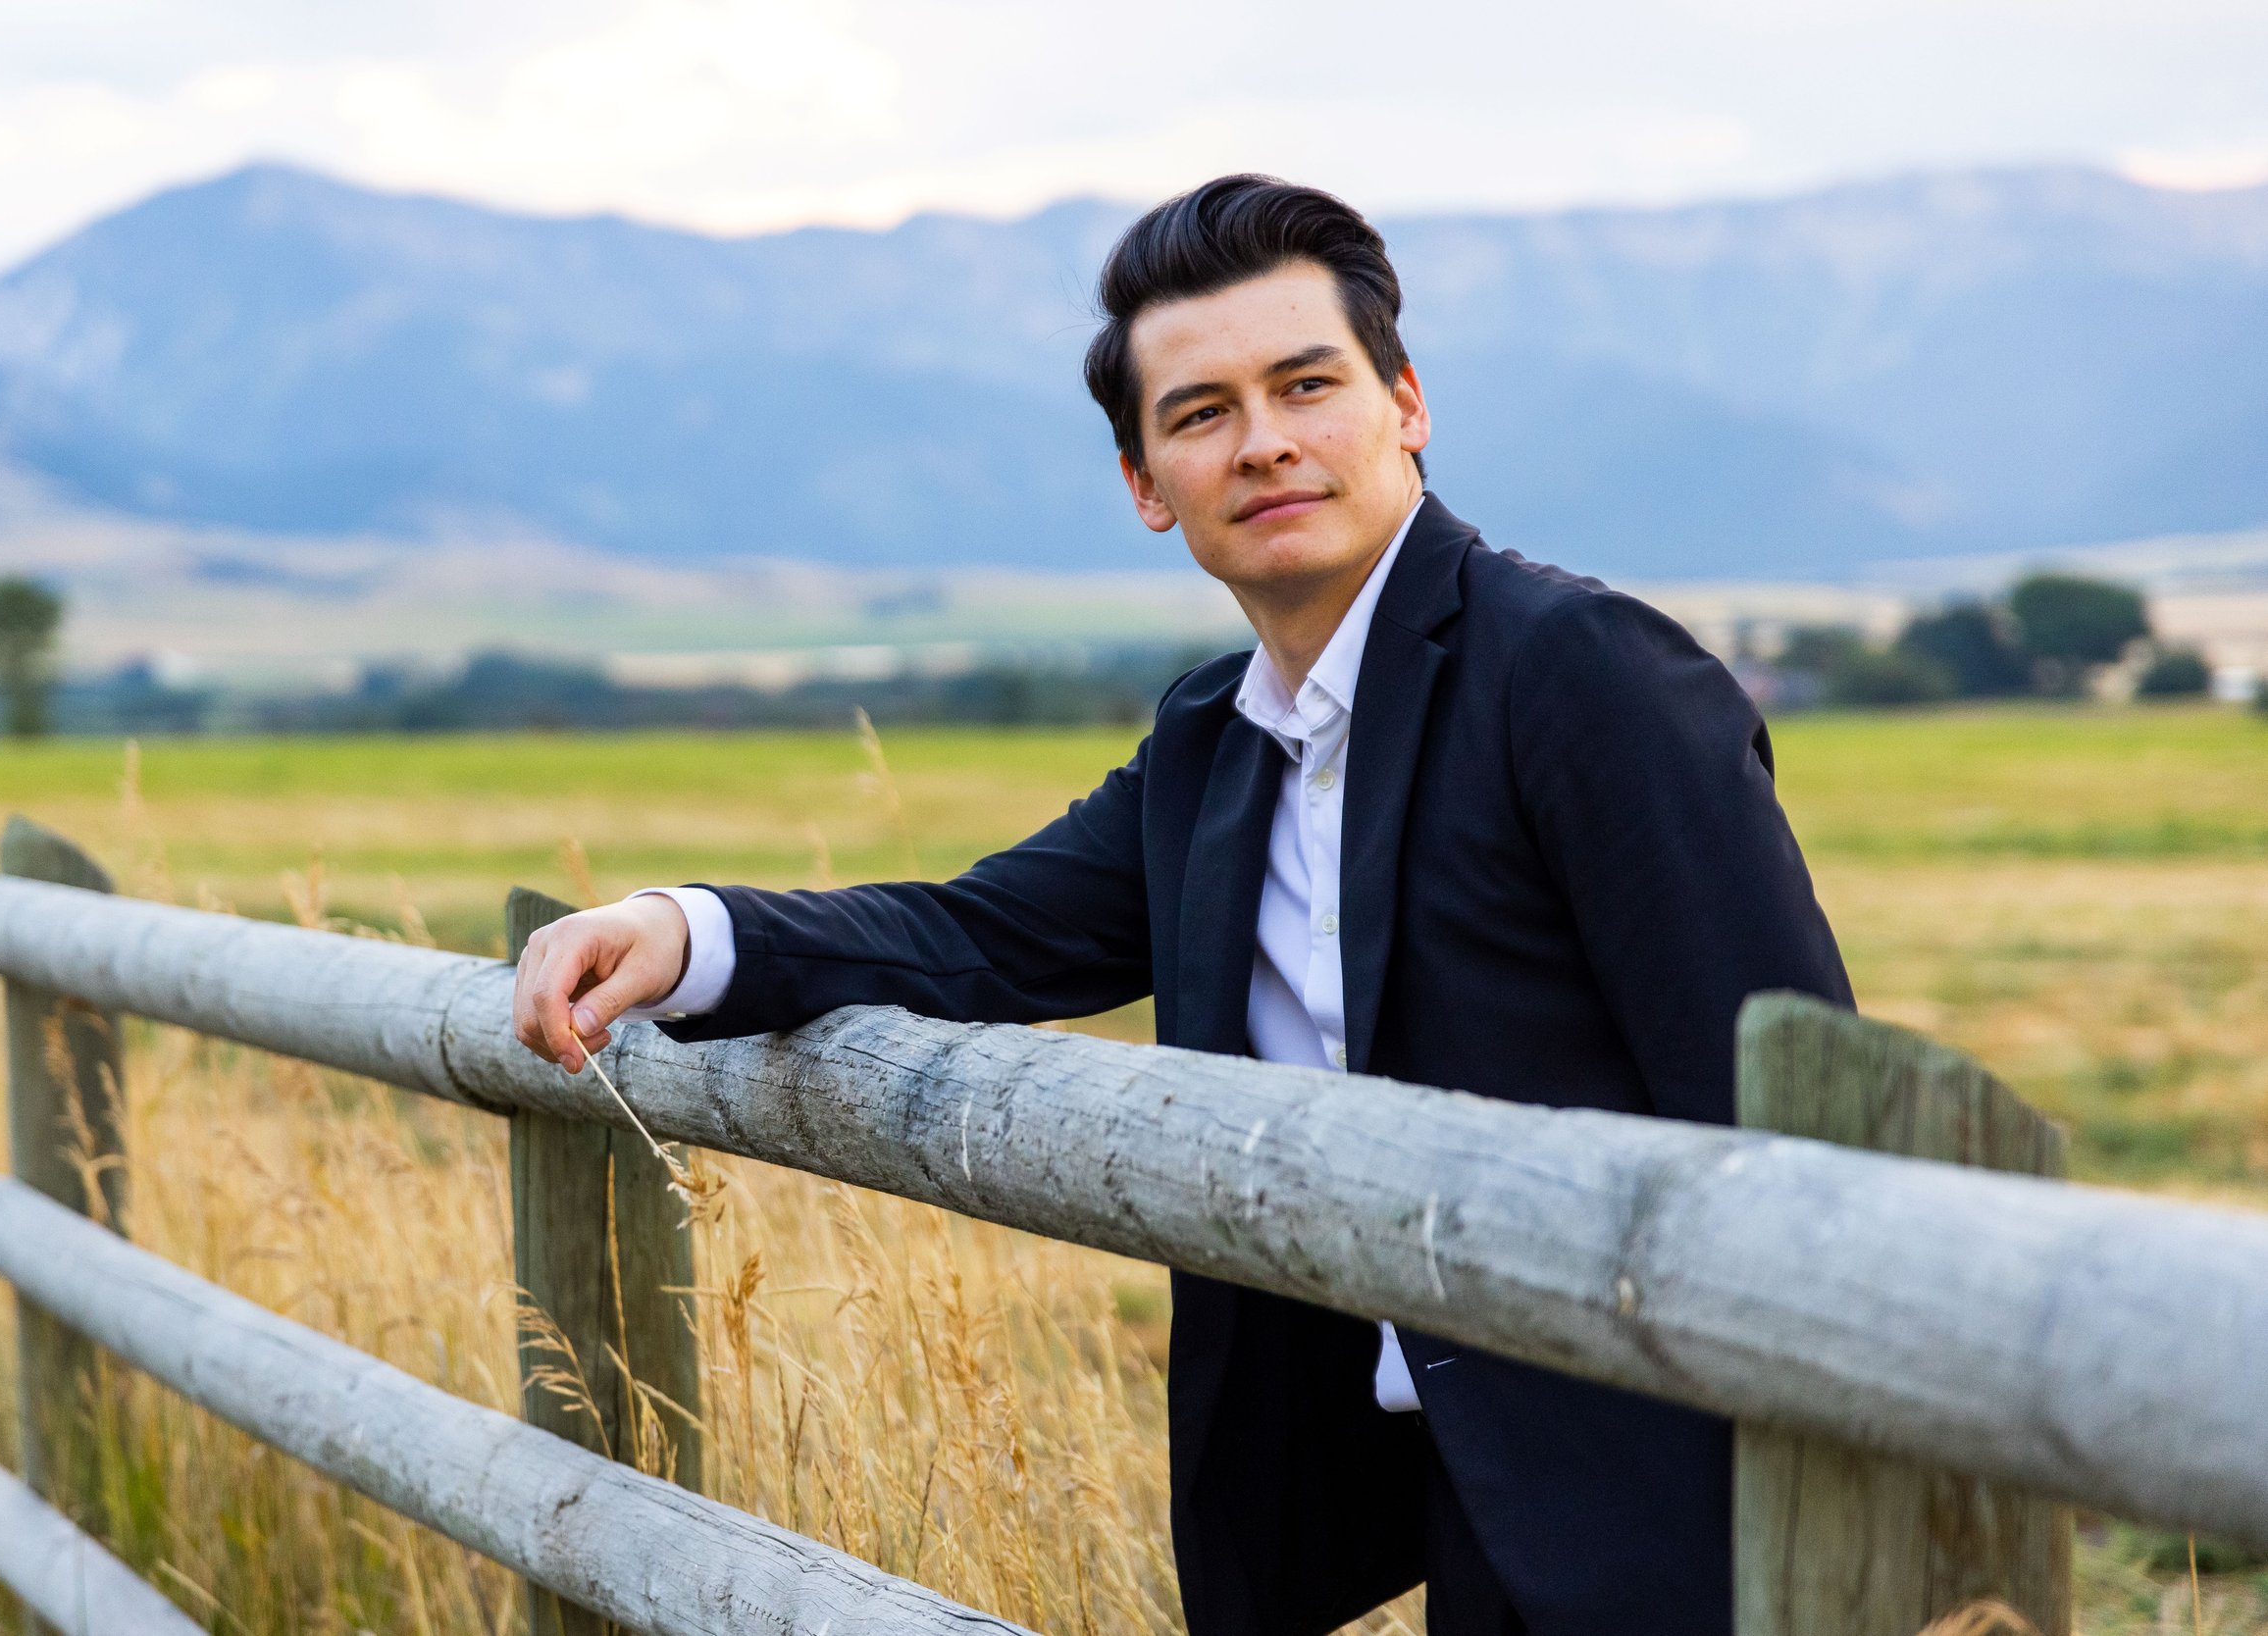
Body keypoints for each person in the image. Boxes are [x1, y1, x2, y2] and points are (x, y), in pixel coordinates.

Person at [513, 174, 1851, 1636]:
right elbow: (983, 932)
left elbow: (1789, 1109)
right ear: (1150, 485)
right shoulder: (1215, 743)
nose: (1265, 440)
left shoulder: (1578, 672)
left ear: (1405, 405)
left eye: (1307, 385)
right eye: (1202, 412)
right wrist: (686, 932)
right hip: (1463, 1492)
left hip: (1678, 1502)